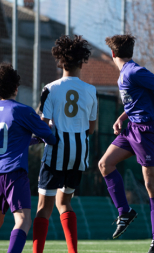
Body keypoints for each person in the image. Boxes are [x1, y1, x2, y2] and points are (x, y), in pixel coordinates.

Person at [0, 63, 56, 253]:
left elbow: (9, 140)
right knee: (23, 220)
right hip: (14, 172)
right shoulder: (22, 111)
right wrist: (49, 127)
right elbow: (50, 137)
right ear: (16, 87)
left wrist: (32, 139)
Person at [98, 35, 154, 253]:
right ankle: (125, 211)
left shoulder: (133, 71)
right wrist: (122, 117)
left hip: (148, 132)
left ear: (112, 54)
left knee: (151, 186)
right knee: (105, 164)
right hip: (131, 130)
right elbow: (137, 100)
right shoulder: (126, 73)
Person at [32, 35, 98, 253]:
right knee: (64, 203)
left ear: (60, 62)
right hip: (79, 154)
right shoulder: (91, 90)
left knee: (44, 208)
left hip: (56, 153)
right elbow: (91, 127)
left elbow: (43, 126)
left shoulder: (50, 88)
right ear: (82, 62)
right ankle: (72, 251)